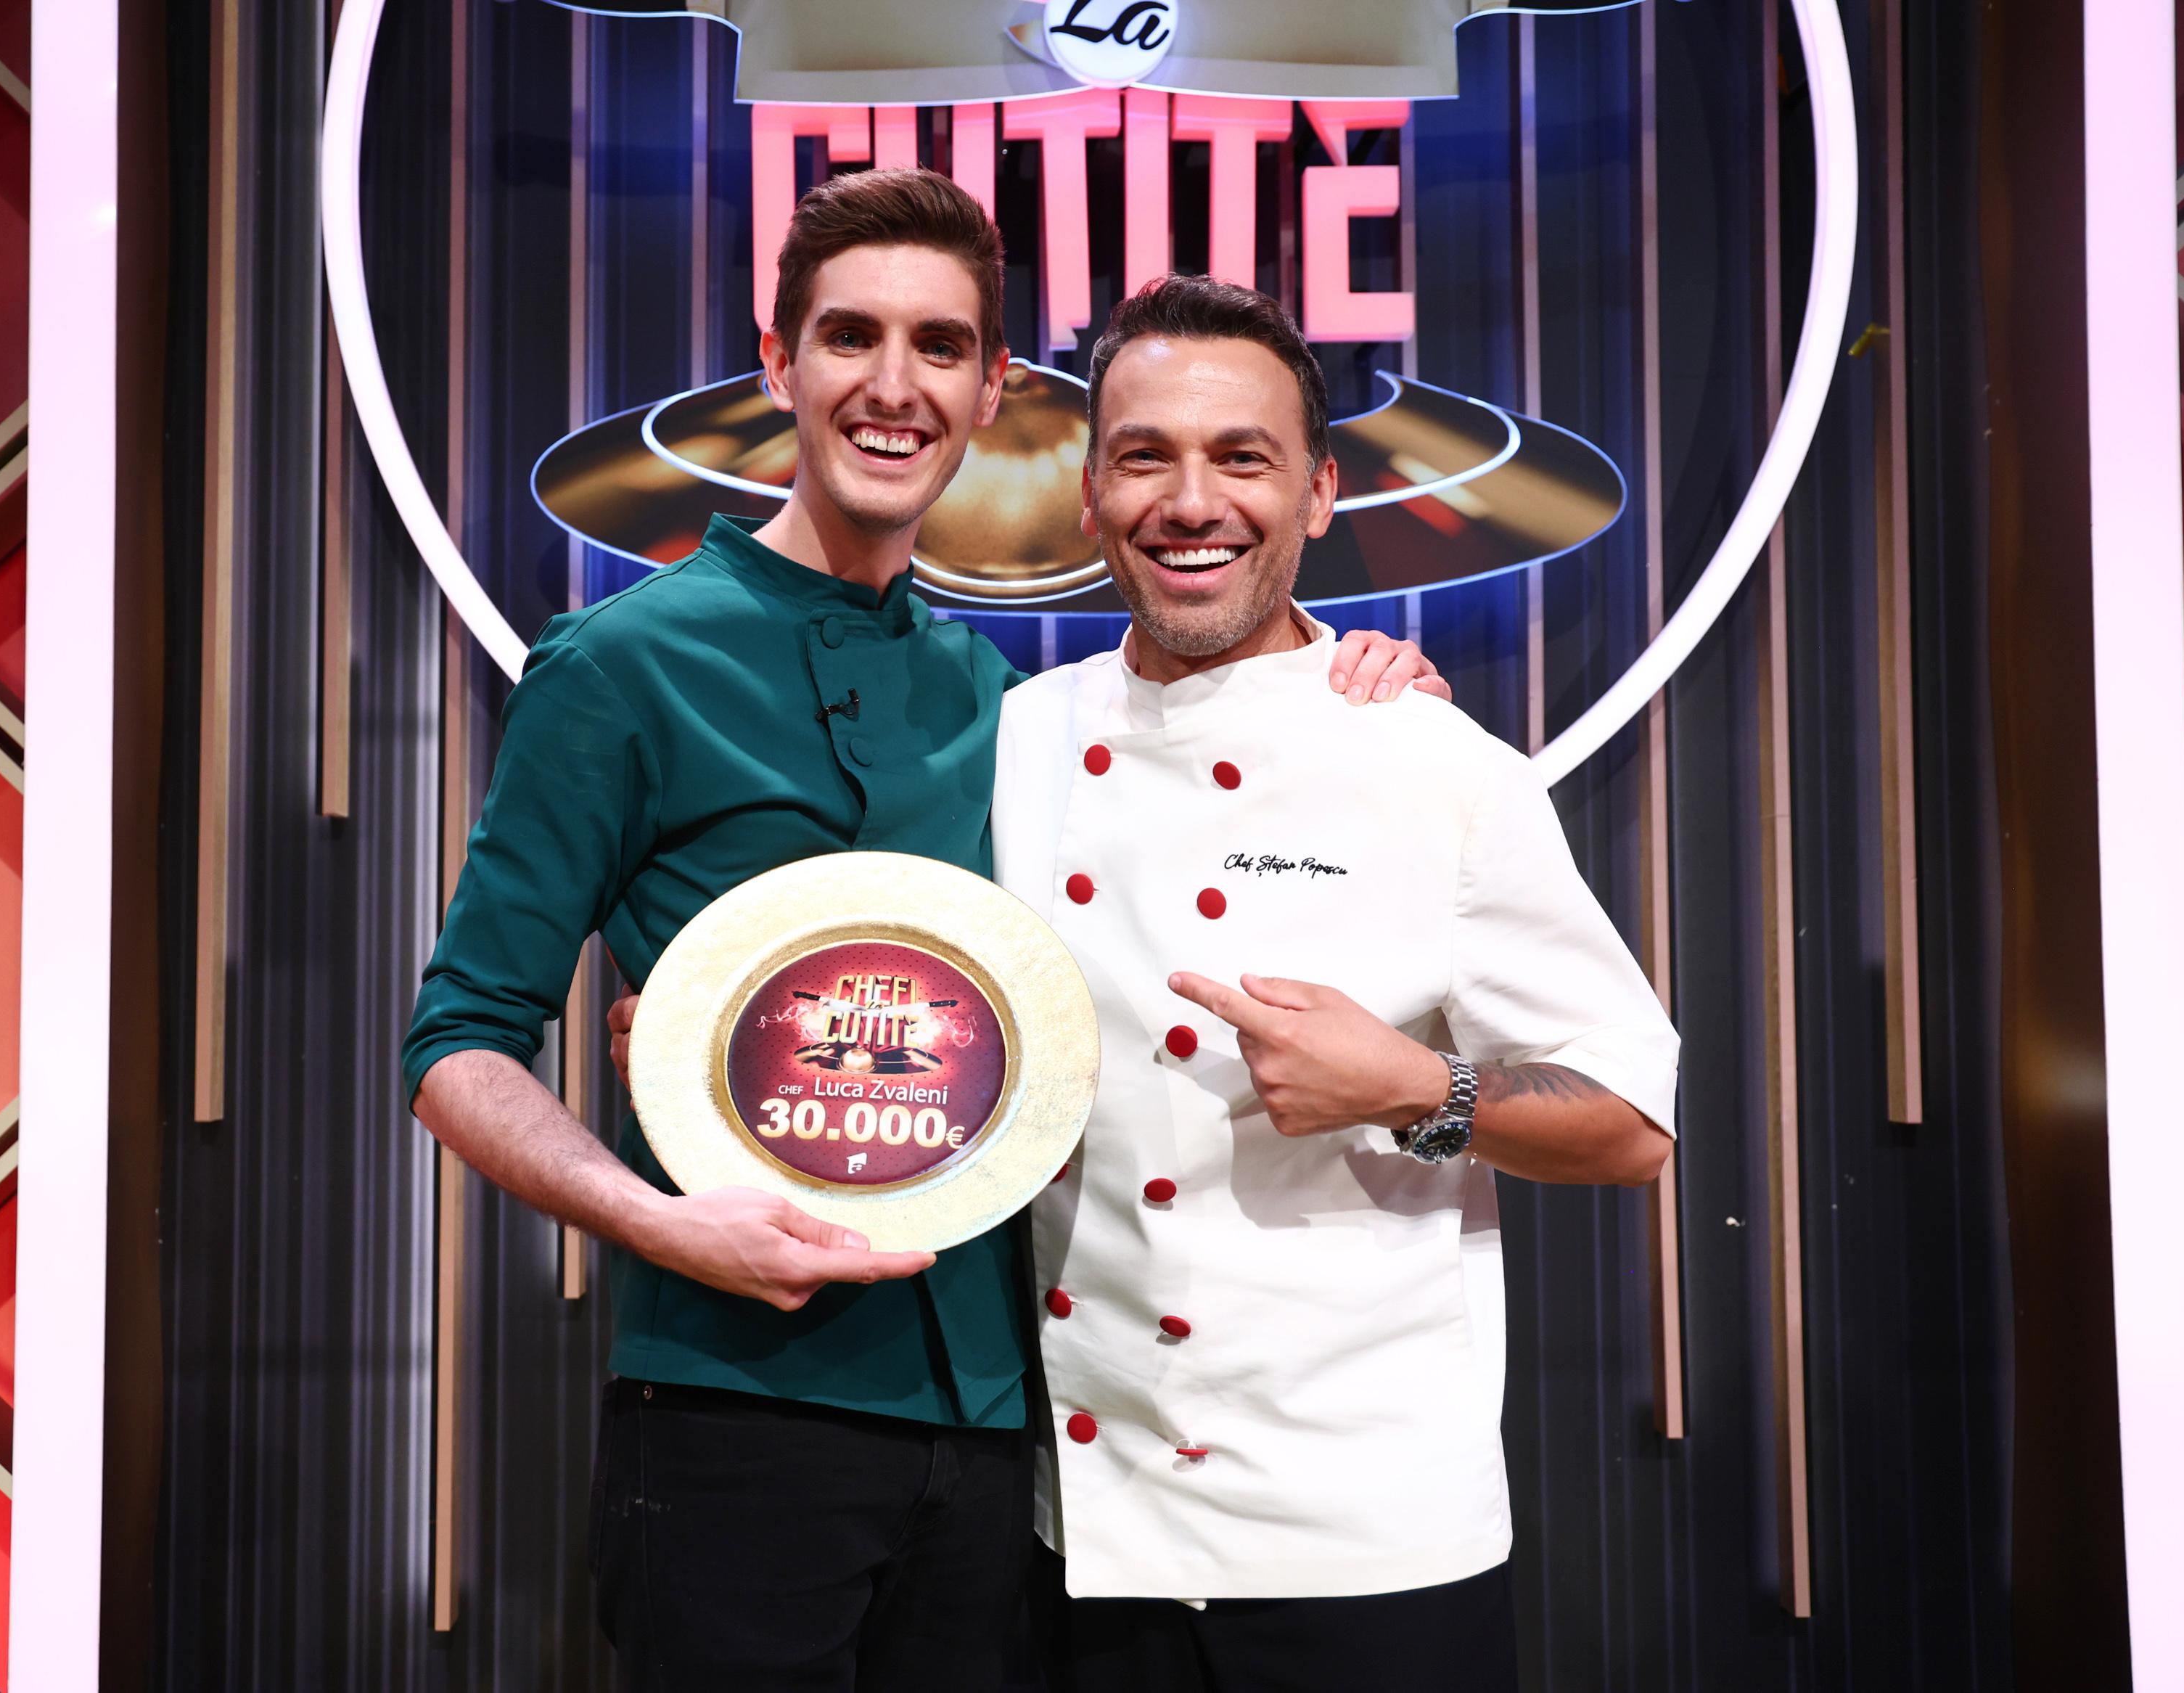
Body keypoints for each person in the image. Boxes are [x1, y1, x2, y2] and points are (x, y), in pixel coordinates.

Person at [402, 168, 1442, 1692]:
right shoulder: (620, 667)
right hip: (737, 1407)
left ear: (992, 387)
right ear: (779, 364)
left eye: (939, 346)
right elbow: (459, 1042)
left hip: (1008, 1431)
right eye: (851, 338)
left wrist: (1350, 683)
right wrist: (654, 1218)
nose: (893, 388)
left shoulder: (1004, 703)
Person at [995, 274, 1680, 1692]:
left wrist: (1418, 1089)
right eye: (1145, 457)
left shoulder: (1435, 766)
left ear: (1317, 494)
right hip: (1084, 1546)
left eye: (1242, 458)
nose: (1192, 502)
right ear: (1090, 494)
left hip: (1372, 1551)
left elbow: (1630, 1125)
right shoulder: (1011, 744)